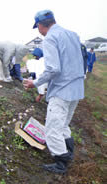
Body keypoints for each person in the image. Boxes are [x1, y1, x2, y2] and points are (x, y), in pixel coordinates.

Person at [23, 10, 85, 174]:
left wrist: (34, 83)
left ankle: (61, 163)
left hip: (62, 90)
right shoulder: (72, 35)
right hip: (77, 88)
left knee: (52, 129)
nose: (39, 31)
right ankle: (68, 153)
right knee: (63, 124)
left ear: (41, 25)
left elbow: (53, 69)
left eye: (38, 27)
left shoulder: (50, 38)